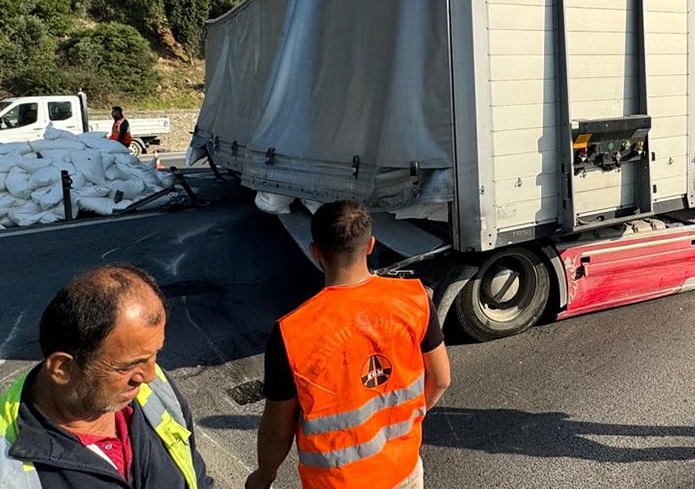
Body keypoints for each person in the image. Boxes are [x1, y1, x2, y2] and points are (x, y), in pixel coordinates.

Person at [246, 201, 452, 489]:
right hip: (403, 470)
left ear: (315, 251)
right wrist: (404, 424)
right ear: (370, 245)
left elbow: (277, 427)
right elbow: (441, 379)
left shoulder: (292, 333)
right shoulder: (414, 299)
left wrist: (264, 474)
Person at [0, 265, 214, 488]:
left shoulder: (158, 390)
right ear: (63, 369)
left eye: (154, 354)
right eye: (127, 367)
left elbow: (194, 475)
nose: (149, 376)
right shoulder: (6, 467)